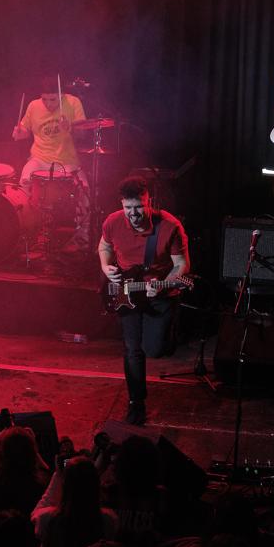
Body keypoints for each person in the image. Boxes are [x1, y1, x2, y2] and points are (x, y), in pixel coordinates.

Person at [98, 176, 190, 425]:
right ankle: (136, 402)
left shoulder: (169, 226)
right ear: (122, 204)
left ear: (149, 201)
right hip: (126, 292)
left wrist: (162, 285)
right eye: (128, 207)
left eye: (139, 206)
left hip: (158, 293)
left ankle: (170, 330)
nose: (133, 213)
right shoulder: (113, 221)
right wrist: (106, 267)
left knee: (155, 350)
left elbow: (182, 265)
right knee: (132, 349)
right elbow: (104, 246)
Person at [12, 75, 92, 250]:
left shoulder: (73, 102)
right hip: (39, 159)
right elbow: (25, 130)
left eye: (53, 100)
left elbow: (83, 134)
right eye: (45, 99)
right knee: (23, 182)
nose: (48, 104)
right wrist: (19, 133)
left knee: (84, 189)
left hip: (67, 161)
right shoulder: (33, 105)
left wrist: (70, 128)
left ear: (61, 95)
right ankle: (24, 232)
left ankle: (82, 237)